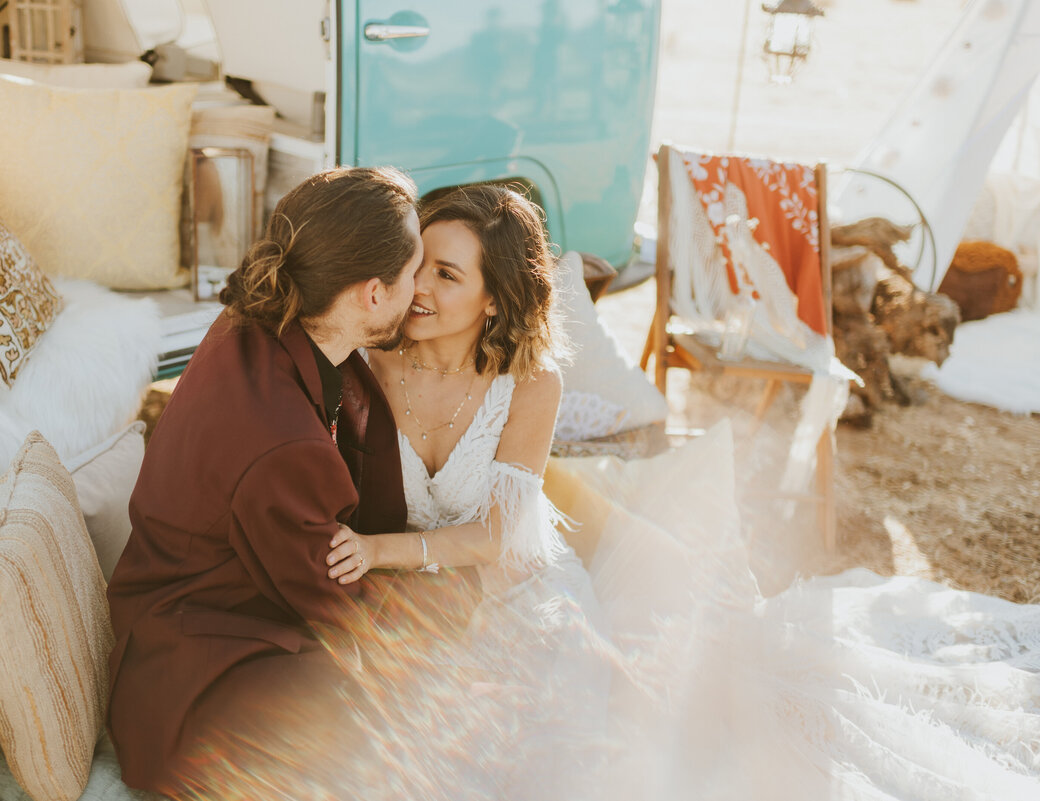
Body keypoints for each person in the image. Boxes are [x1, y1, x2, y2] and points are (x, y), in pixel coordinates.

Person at [325, 183, 1040, 801]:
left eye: (446, 275)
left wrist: (374, 549)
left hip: (517, 593)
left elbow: (502, 535)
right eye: (419, 264)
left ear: (493, 299)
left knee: (557, 748)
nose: (417, 287)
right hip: (422, 596)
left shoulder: (532, 384)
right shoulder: (370, 359)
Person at [105, 166, 478, 799]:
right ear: (371, 293)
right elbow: (340, 610)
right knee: (421, 719)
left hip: (175, 624)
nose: (421, 286)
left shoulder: (255, 321)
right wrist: (447, 614)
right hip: (193, 693)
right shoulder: (282, 447)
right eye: (414, 268)